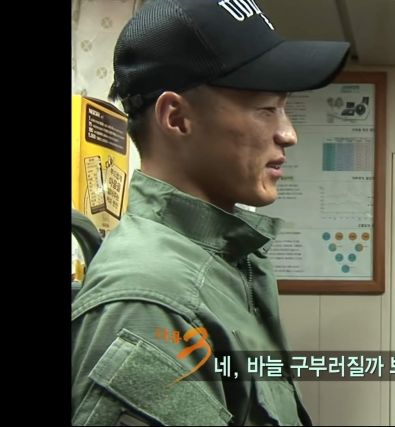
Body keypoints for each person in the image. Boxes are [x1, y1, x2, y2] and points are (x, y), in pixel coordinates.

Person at [71, 0, 349, 425]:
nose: (288, 133)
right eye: (265, 109)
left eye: (284, 108)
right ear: (177, 118)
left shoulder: (223, 261)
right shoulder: (152, 301)